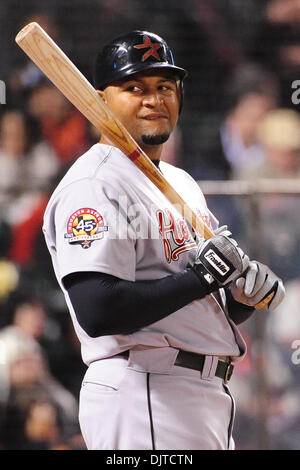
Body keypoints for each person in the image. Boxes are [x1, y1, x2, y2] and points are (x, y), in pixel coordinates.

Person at [42, 30, 285, 450]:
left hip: (198, 391)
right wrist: (202, 277)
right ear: (99, 100)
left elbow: (196, 302)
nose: (154, 99)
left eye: (165, 87)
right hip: (145, 389)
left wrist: (238, 301)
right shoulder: (96, 183)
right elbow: (98, 310)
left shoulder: (180, 183)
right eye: (134, 88)